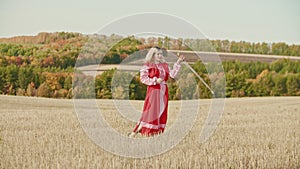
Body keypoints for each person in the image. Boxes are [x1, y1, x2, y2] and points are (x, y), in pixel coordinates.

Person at [129, 46, 185, 137]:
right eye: (157, 54)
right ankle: (138, 132)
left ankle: (154, 132)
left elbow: (172, 75)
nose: (160, 56)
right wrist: (154, 80)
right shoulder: (147, 66)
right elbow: (143, 79)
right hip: (154, 91)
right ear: (153, 55)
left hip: (163, 91)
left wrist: (178, 62)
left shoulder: (164, 65)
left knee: (161, 111)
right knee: (151, 113)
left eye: (161, 54)